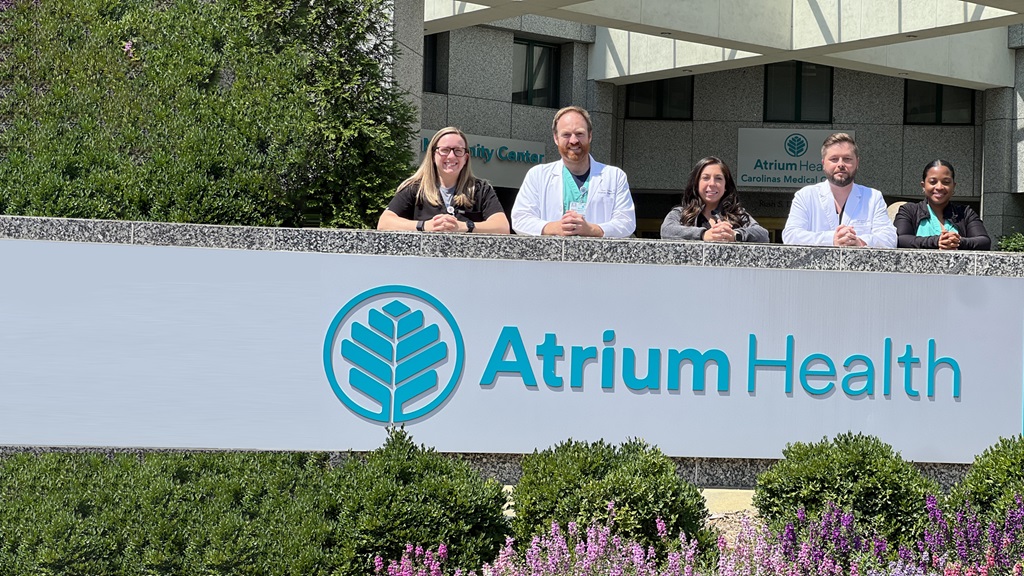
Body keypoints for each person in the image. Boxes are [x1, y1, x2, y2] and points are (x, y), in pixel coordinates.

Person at [511, 106, 636, 238]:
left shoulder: (615, 176)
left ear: (590, 136)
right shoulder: (537, 175)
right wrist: (554, 227)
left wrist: (592, 230)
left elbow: (627, 222)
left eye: (579, 134)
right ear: (555, 138)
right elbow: (520, 219)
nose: (573, 140)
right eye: (566, 134)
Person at [377, 127, 510, 234]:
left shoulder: (481, 189)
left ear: (466, 158)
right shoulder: (415, 188)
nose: (451, 156)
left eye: (458, 151)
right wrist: (425, 226)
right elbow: (384, 223)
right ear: (433, 155)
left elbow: (502, 227)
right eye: (445, 150)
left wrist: (465, 226)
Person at [782, 133, 896, 248]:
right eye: (834, 159)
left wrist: (859, 241)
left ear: (857, 163)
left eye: (847, 159)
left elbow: (889, 238)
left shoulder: (873, 197)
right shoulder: (805, 195)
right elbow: (790, 236)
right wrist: (832, 239)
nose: (841, 164)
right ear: (823, 164)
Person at [660, 157, 769, 242]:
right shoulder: (681, 213)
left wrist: (735, 235)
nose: (712, 184)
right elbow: (666, 231)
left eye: (718, 178)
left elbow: (763, 235)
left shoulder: (737, 214)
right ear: (696, 184)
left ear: (726, 185)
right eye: (706, 178)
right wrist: (703, 235)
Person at [894, 160, 990, 250]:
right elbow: (901, 239)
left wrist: (958, 241)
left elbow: (984, 241)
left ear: (953, 186)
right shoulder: (909, 211)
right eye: (933, 182)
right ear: (923, 186)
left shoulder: (965, 213)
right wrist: (936, 241)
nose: (939, 187)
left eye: (946, 182)